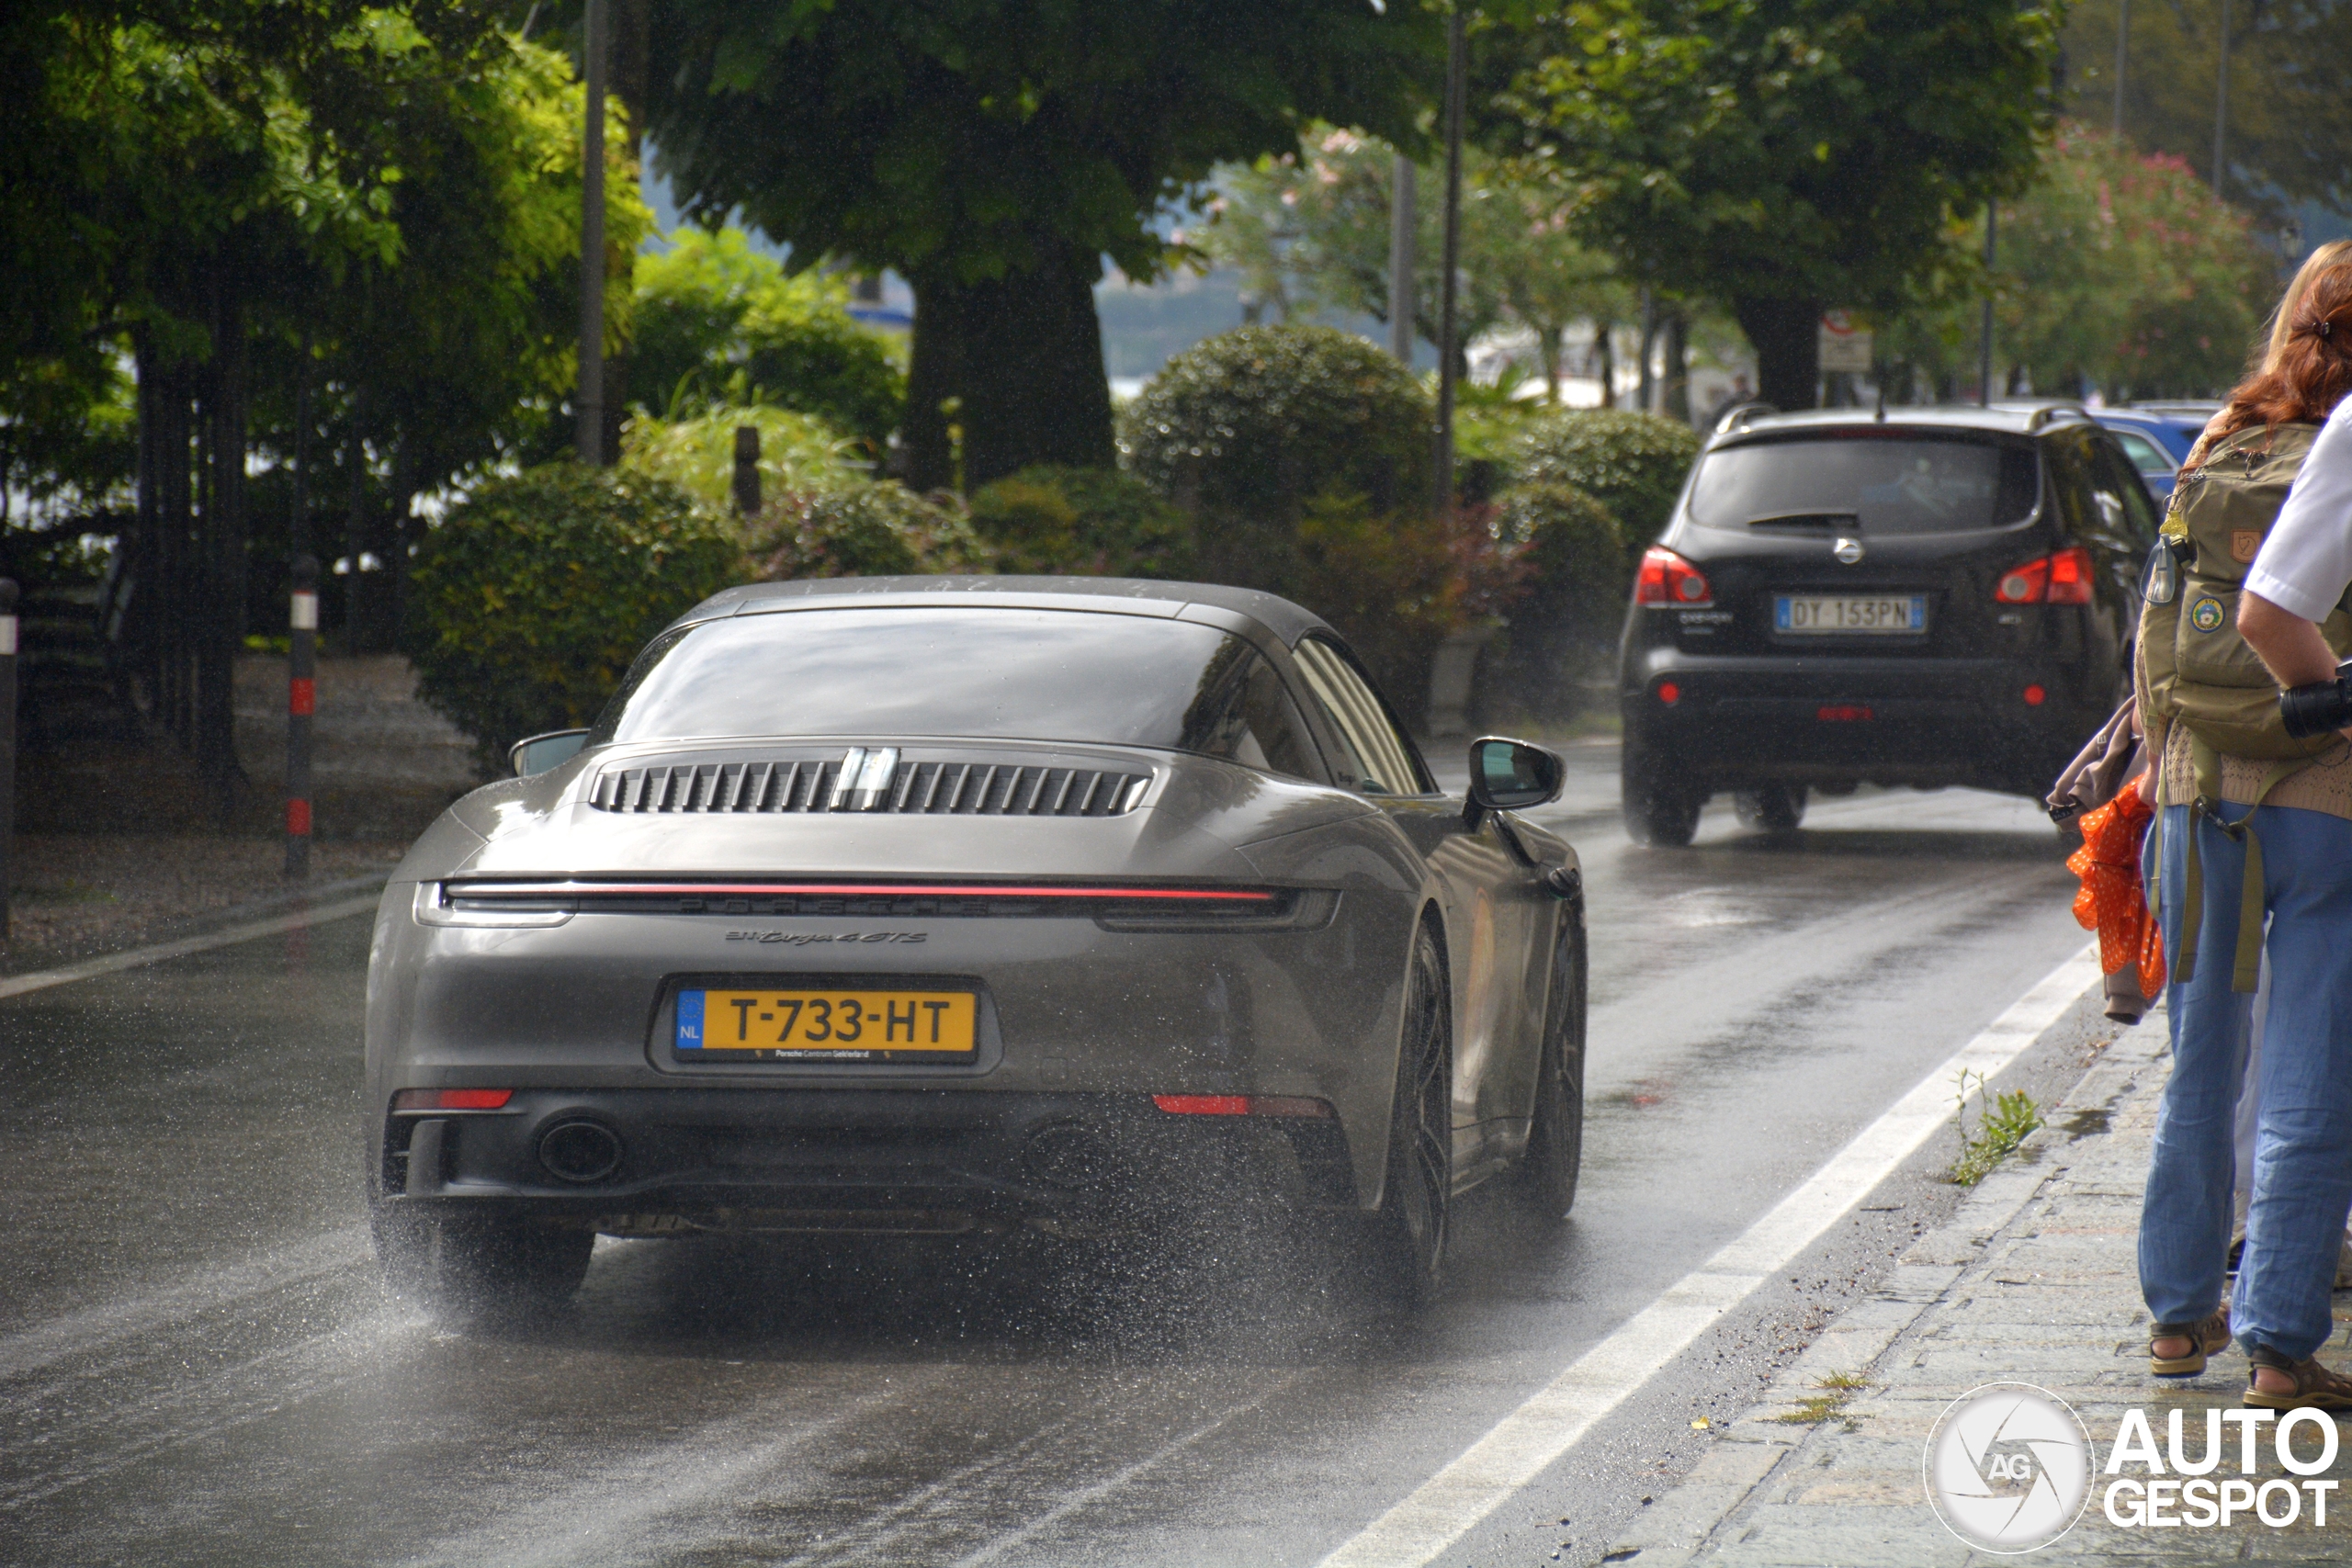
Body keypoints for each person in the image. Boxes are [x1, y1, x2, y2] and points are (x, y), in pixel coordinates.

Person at [2139, 252, 2352, 1408]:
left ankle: (2176, 1324)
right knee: (2311, 1073)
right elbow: (2285, 613)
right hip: (2323, 799)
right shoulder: (2351, 444)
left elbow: (2153, 634)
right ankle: (2279, 1344)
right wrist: (2329, 704)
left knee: (2198, 1066)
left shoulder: (2220, 438)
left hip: (2196, 787)